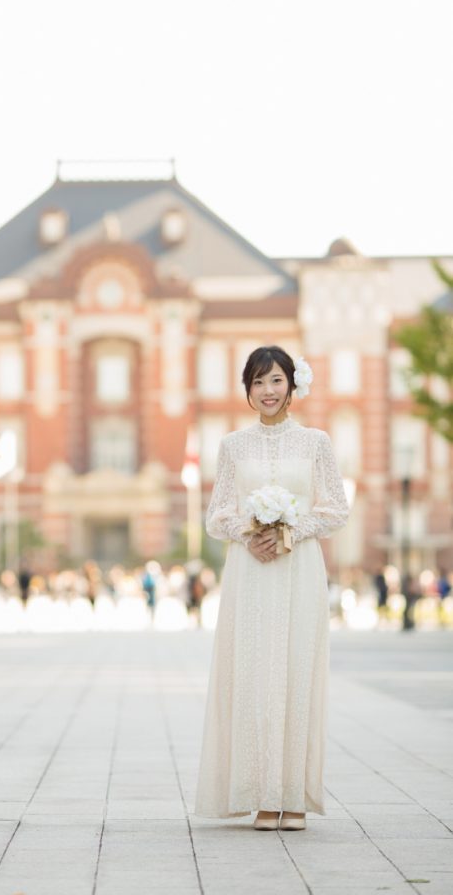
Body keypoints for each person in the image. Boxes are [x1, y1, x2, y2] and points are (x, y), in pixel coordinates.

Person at [194, 345, 349, 832]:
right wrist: (248, 532)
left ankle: (294, 796)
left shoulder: (317, 443)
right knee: (254, 673)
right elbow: (216, 513)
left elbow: (336, 508)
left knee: (296, 672)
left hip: (299, 569)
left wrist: (289, 530)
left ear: (293, 385)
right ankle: (261, 794)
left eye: (276, 380)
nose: (267, 391)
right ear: (247, 390)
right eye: (258, 382)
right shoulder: (233, 446)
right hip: (251, 573)